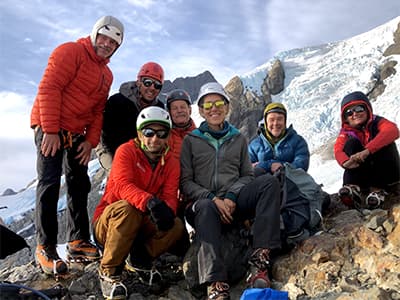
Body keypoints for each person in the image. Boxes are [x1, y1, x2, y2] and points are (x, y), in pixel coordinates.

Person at [30, 15, 124, 275]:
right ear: (94, 34)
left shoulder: (106, 74)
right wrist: (49, 130)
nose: (107, 44)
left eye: (113, 42)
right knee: (49, 183)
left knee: (79, 183)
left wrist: (90, 141)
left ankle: (77, 240)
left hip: (75, 135)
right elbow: (49, 88)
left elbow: (97, 112)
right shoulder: (69, 51)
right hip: (50, 127)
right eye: (104, 37)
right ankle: (45, 246)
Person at [180, 82, 281, 300]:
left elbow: (247, 174)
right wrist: (212, 198)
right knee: (206, 207)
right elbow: (186, 182)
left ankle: (259, 260)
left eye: (218, 103)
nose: (214, 109)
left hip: (233, 201)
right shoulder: (191, 140)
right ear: (200, 111)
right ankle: (216, 282)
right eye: (208, 105)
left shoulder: (238, 138)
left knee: (269, 183)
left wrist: (232, 196)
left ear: (227, 107)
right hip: (202, 205)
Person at [93, 107, 185, 299]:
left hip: (140, 226)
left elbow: (170, 195)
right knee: (129, 208)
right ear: (139, 134)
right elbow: (121, 186)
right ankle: (108, 270)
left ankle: (139, 260)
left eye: (162, 133)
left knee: (175, 225)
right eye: (149, 132)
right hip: (110, 224)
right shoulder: (126, 151)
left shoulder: (171, 162)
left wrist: (167, 211)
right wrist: (149, 201)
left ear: (168, 136)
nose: (155, 139)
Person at [96, 62, 165, 174]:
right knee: (119, 179)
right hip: (110, 148)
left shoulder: (159, 109)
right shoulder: (117, 101)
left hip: (140, 153)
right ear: (139, 83)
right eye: (147, 83)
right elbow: (108, 137)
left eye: (157, 85)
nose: (152, 88)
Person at [334, 91, 400, 209]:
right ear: (345, 118)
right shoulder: (346, 133)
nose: (355, 114)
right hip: (366, 174)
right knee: (351, 144)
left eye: (359, 109)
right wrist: (346, 162)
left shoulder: (378, 122)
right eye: (349, 112)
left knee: (384, 142)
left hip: (388, 172)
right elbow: (338, 150)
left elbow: (393, 131)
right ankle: (353, 188)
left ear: (367, 109)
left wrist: (367, 151)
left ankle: (378, 190)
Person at [248, 102, 310, 176]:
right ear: (266, 122)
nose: (275, 123)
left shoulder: (298, 142)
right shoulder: (254, 145)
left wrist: (281, 167)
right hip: (262, 185)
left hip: (291, 184)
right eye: (271, 120)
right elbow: (247, 168)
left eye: (279, 119)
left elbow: (301, 165)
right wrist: (270, 165)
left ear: (285, 121)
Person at [166, 89, 197, 160]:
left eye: (183, 107)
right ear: (169, 112)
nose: (179, 111)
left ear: (190, 110)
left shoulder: (201, 137)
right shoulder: (162, 137)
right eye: (174, 108)